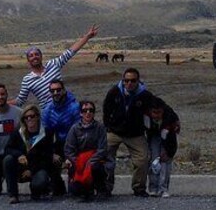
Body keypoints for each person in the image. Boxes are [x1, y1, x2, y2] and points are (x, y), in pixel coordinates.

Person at [102, 67, 158, 197]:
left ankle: (139, 188)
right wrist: (107, 127)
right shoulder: (114, 92)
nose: (129, 84)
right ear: (123, 80)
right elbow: (106, 110)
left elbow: (158, 109)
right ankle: (105, 187)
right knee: (104, 157)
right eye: (126, 81)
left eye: (133, 81)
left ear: (138, 81)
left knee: (142, 159)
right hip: (115, 131)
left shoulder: (145, 96)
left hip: (135, 134)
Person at [14, 25, 99, 107]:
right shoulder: (27, 80)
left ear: (41, 56)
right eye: (31, 56)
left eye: (37, 54)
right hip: (49, 114)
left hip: (66, 107)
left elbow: (70, 52)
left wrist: (87, 37)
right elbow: (20, 100)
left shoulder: (53, 64)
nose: (34, 57)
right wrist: (1, 100)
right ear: (28, 60)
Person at [4, 104, 62, 204]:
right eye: (26, 117)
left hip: (38, 167)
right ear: (23, 120)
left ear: (38, 117)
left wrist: (31, 170)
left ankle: (36, 190)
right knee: (8, 159)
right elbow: (8, 149)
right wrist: (19, 155)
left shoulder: (46, 133)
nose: (29, 119)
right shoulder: (18, 133)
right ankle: (13, 195)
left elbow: (47, 157)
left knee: (41, 180)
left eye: (32, 116)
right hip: (21, 167)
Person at [64, 100, 109, 200]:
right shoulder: (74, 129)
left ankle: (101, 189)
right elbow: (68, 150)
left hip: (94, 159)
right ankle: (82, 190)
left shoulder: (100, 127)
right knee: (75, 190)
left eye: (91, 110)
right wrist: (77, 162)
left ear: (94, 113)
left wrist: (91, 161)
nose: (88, 113)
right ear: (80, 113)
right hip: (78, 160)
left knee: (97, 168)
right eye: (85, 110)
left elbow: (102, 148)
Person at [41, 79, 79, 196]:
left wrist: (70, 155)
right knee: (48, 159)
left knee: (76, 191)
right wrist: (51, 153)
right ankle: (56, 185)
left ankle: (75, 184)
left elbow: (78, 131)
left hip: (74, 144)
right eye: (52, 91)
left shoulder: (75, 107)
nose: (56, 93)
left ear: (64, 90)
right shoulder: (47, 110)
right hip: (58, 143)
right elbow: (45, 135)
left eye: (58, 90)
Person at [145, 97, 180, 198]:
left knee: (165, 162)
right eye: (154, 112)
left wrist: (169, 152)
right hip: (153, 136)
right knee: (153, 160)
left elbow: (172, 139)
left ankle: (163, 189)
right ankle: (153, 188)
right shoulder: (145, 117)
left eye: (159, 112)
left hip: (168, 137)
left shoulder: (170, 118)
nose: (156, 115)